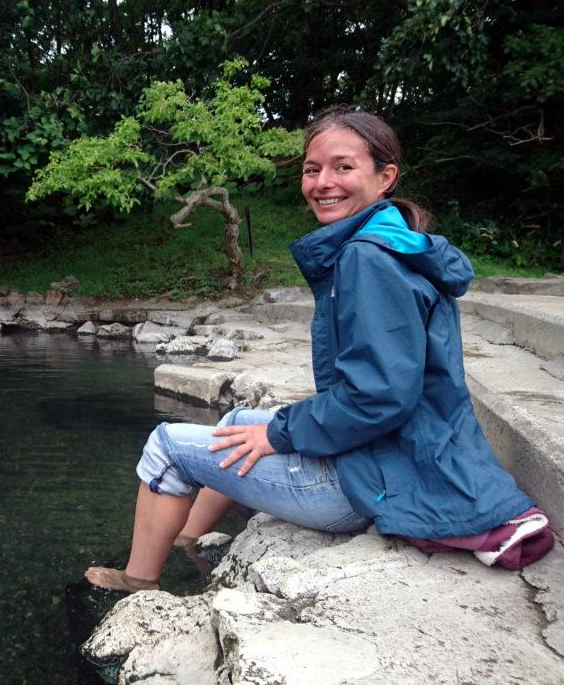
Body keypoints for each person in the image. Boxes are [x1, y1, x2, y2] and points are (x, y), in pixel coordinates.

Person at [86, 106, 546, 593]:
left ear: (385, 176)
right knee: (236, 424)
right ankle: (186, 540)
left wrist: (282, 433)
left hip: (368, 483)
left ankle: (138, 582)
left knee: (166, 447)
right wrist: (275, 430)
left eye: (343, 167)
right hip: (395, 455)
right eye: (312, 169)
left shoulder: (367, 260)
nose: (323, 182)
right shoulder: (398, 244)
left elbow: (379, 396)